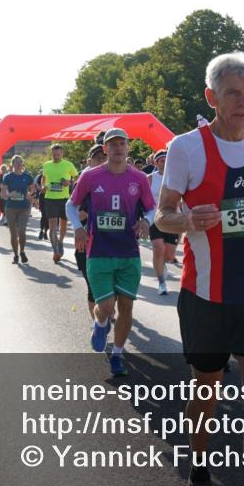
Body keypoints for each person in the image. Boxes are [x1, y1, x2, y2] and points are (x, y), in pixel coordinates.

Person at [155, 52, 244, 486]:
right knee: (205, 390)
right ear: (212, 96)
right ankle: (200, 474)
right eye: (232, 93)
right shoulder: (187, 148)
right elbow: (163, 216)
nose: (243, 102)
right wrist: (187, 219)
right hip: (206, 295)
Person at [66, 128, 153, 377]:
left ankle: (117, 354)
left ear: (128, 147)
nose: (117, 148)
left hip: (128, 252)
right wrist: (78, 227)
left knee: (126, 306)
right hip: (99, 251)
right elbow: (71, 205)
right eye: (112, 144)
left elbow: (151, 208)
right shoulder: (91, 176)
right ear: (105, 149)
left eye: (122, 144)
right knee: (106, 307)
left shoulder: (138, 179)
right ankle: (100, 322)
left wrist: (147, 221)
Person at [75, 144, 108, 318]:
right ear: (89, 161)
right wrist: (91, 212)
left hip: (114, 243)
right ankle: (97, 325)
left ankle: (105, 312)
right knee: (93, 287)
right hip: (88, 243)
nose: (102, 161)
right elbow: (74, 213)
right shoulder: (83, 182)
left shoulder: (120, 180)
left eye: (104, 157)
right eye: (97, 158)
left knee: (111, 289)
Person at [148, 149, 180, 297]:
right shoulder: (150, 178)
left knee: (168, 255)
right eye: (161, 160)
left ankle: (164, 265)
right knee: (158, 248)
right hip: (155, 219)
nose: (165, 163)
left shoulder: (177, 177)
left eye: (167, 160)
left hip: (172, 219)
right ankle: (161, 282)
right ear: (156, 162)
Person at [43, 144, 79, 263]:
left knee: (63, 225)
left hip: (64, 199)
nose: (56, 156)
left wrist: (69, 182)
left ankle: (60, 241)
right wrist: (43, 186)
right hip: (50, 198)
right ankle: (55, 251)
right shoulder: (46, 165)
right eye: (54, 154)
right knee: (52, 226)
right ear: (51, 154)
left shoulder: (68, 165)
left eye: (58, 154)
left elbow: (77, 178)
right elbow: (44, 178)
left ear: (62, 153)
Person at [0, 155, 35, 264]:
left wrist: (30, 194)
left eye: (20, 162)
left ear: (22, 164)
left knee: (22, 231)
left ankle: (22, 251)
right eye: (16, 162)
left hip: (24, 207)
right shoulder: (8, 177)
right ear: (12, 164)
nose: (18, 164)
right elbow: (3, 194)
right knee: (13, 234)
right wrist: (10, 194)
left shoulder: (27, 176)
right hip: (11, 208)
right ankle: (15, 255)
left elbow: (32, 189)